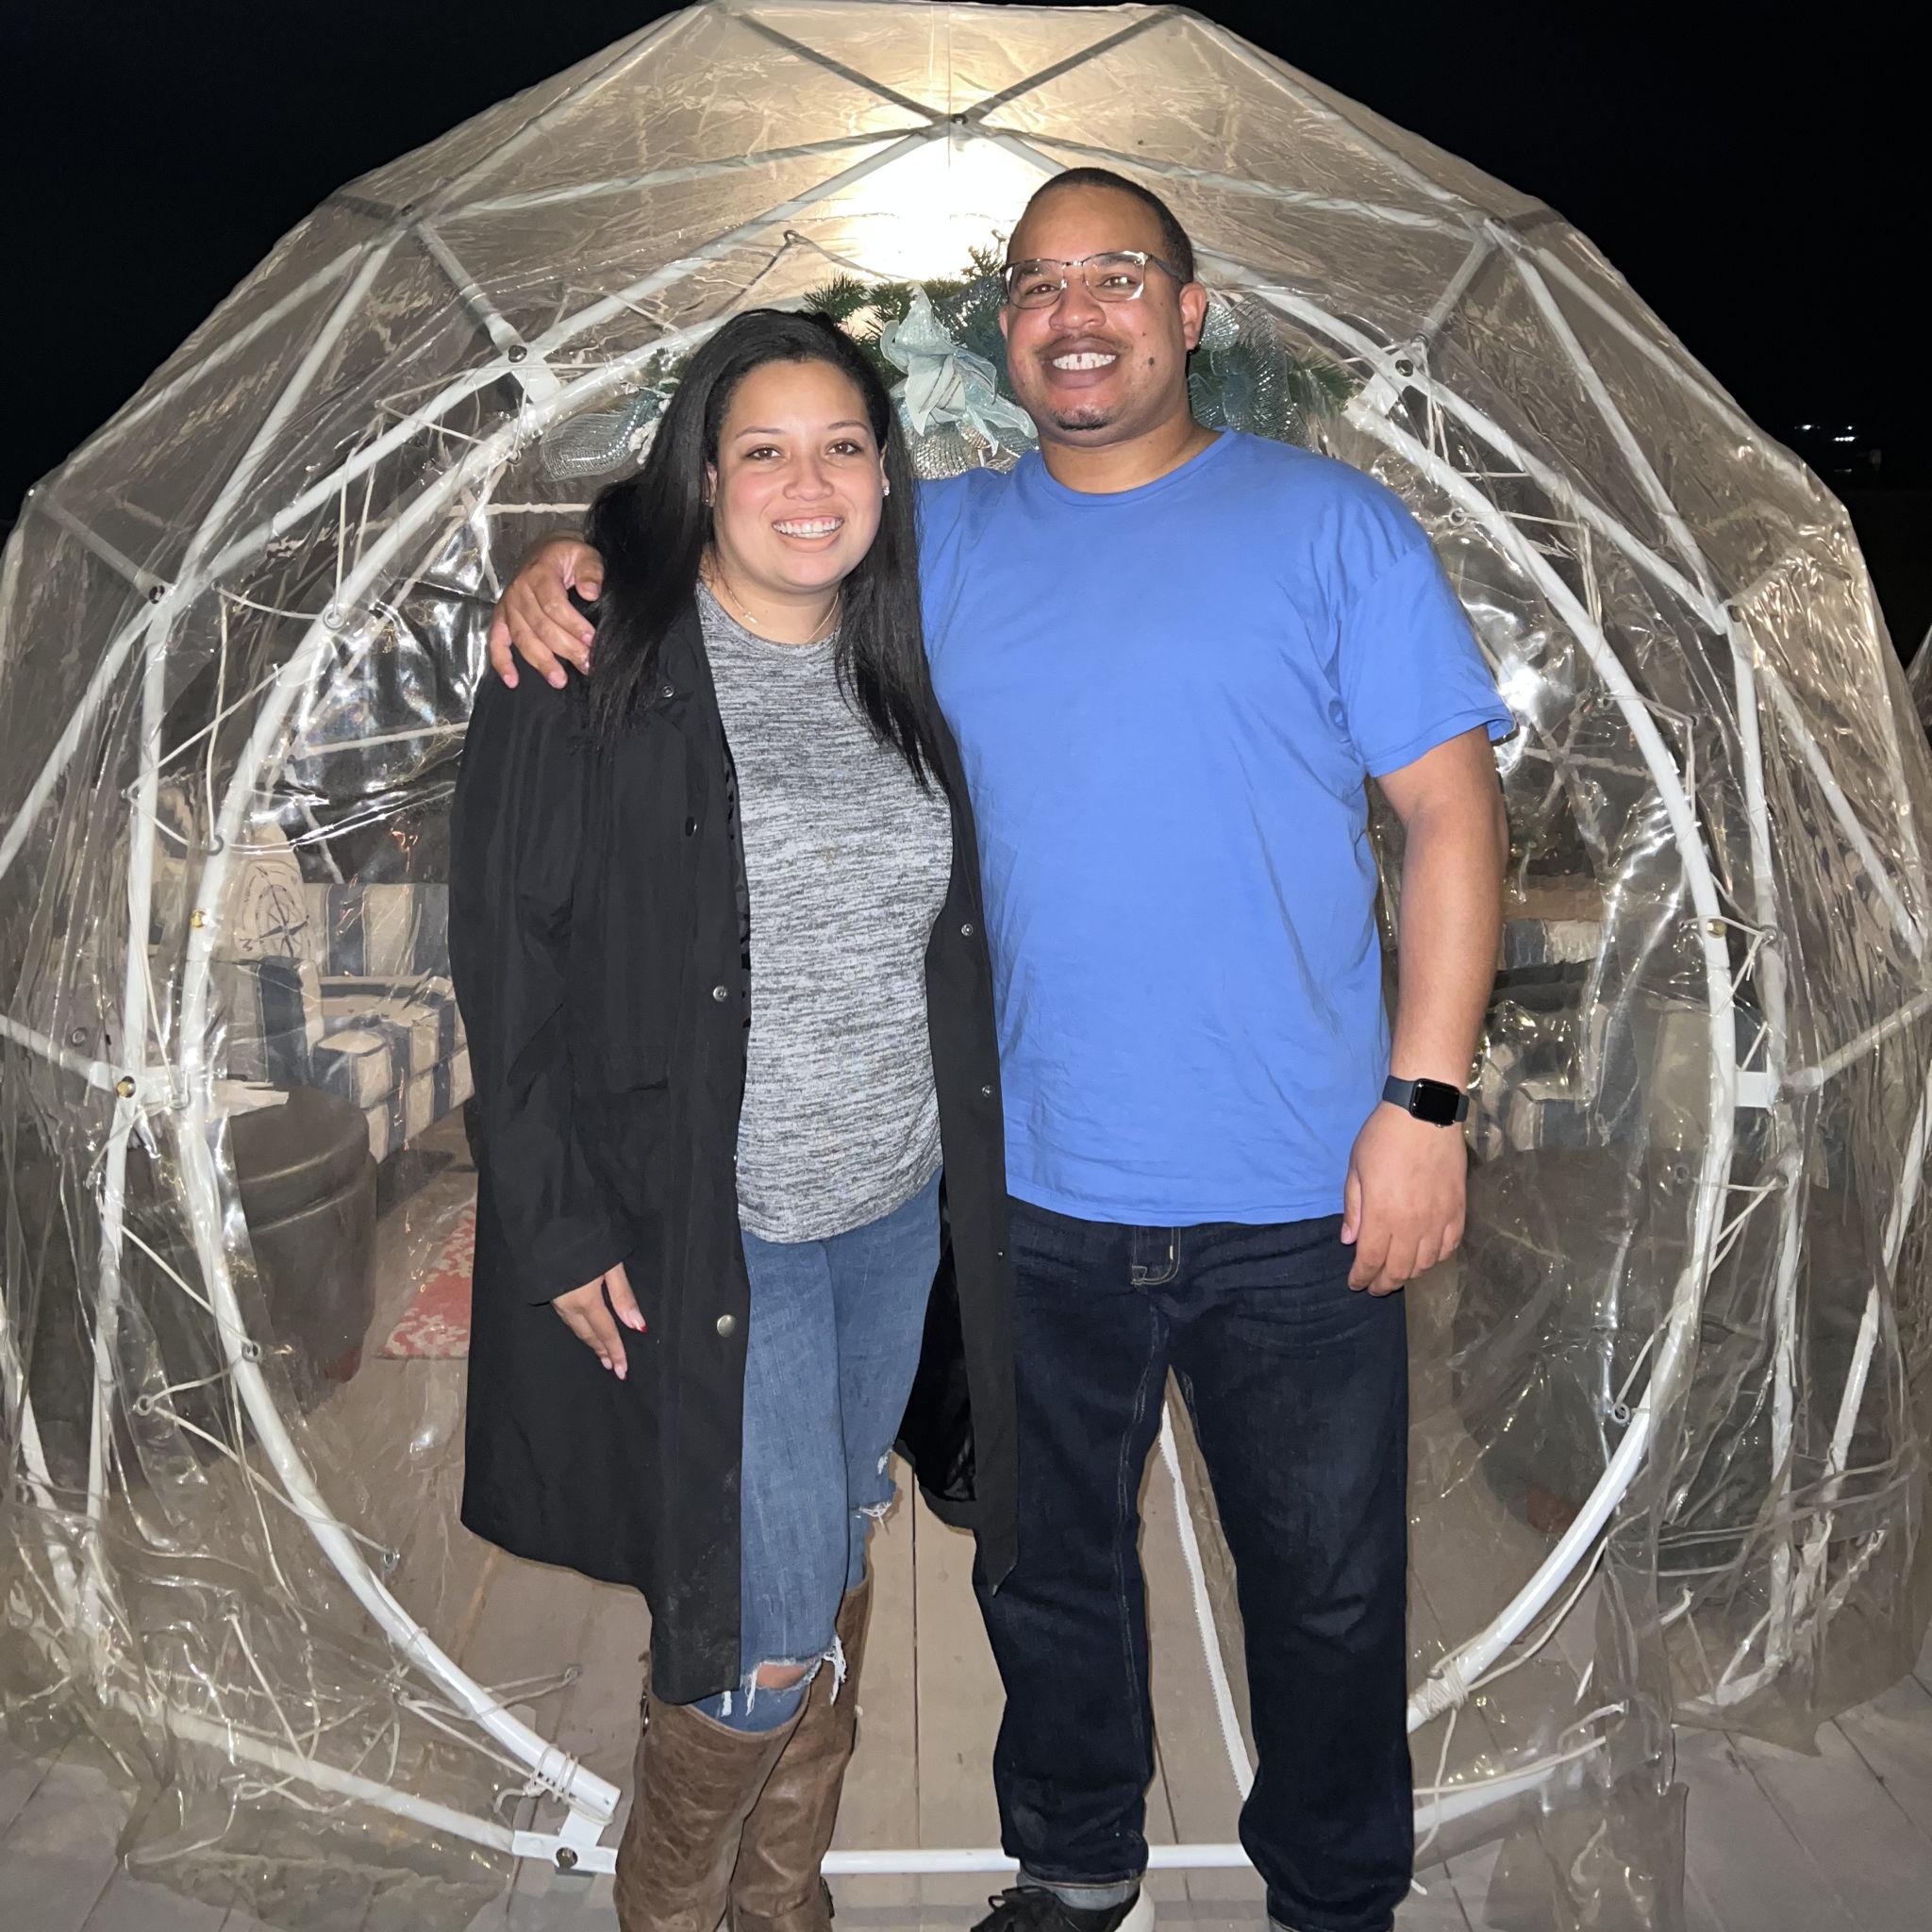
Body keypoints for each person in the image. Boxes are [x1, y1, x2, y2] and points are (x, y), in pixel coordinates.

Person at [491, 169, 1513, 1932]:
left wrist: (1425, 1101)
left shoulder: (1334, 529)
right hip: (1019, 1195)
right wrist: (569, 553)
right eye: (1037, 283)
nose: (1076, 309)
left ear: (1191, 314)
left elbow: (1450, 820)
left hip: (1301, 1184)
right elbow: (737, 534)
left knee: (1331, 1591)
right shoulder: (934, 543)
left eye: (1118, 273)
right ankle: (1074, 1858)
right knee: (1043, 1575)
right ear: (1004, 333)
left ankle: (1339, 1892)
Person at [449, 308, 1017, 1932]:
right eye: (762, 447)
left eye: (843, 444)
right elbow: (506, 959)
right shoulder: (593, 661)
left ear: (889, 478)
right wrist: (554, 1222)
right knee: (754, 1638)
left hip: (891, 1221)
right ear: (704, 475)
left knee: (827, 1569)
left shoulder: (902, 661)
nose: (807, 480)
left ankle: (787, 1910)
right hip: (723, 1230)